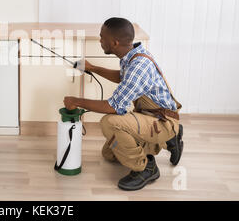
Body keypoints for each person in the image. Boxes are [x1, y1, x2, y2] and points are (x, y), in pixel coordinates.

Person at [63, 17, 183, 191]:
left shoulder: (139, 66)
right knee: (109, 154)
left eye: (102, 37)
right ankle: (170, 139)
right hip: (150, 116)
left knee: (109, 123)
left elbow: (113, 107)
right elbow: (122, 77)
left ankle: (146, 168)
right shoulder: (132, 55)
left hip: (161, 121)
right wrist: (92, 67)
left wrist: (76, 101)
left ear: (114, 42)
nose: (100, 40)